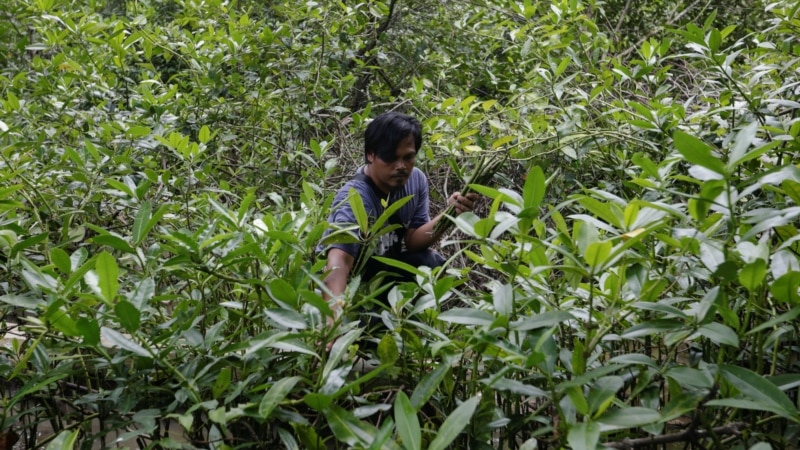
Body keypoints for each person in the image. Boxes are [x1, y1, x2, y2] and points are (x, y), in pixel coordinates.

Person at [319, 111, 478, 327]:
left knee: (430, 263)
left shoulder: (416, 181)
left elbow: (413, 240)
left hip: (386, 274)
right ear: (371, 155)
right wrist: (332, 321)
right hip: (359, 288)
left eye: (408, 157)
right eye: (391, 157)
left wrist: (449, 214)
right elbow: (339, 262)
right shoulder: (355, 199)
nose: (401, 166)